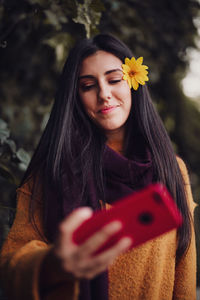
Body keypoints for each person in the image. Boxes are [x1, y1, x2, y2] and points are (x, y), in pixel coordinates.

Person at [0, 34, 197, 300]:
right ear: (76, 96)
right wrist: (55, 263)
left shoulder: (172, 170)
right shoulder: (54, 170)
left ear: (133, 83)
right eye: (88, 86)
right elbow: (11, 265)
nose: (104, 94)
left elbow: (183, 275)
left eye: (114, 80)